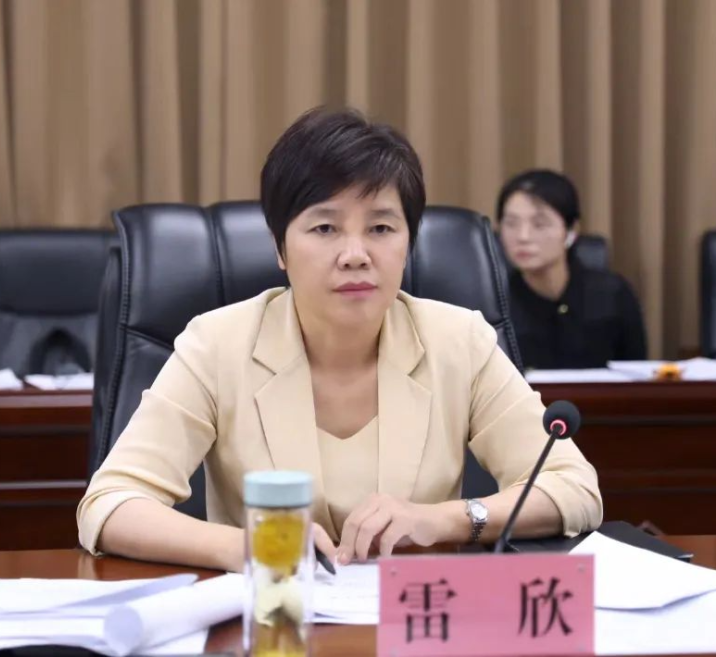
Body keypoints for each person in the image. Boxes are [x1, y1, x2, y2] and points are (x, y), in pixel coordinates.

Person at [77, 110, 602, 572]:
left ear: (408, 243)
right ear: (280, 247)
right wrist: (250, 547)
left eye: (381, 228)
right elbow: (111, 502)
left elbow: (574, 489)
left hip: (414, 622)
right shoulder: (217, 343)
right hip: (274, 619)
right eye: (325, 229)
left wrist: (447, 519)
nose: (355, 254)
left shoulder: (458, 341)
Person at [497, 170, 647, 370]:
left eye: (539, 224)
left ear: (571, 231)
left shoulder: (613, 295)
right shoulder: (495, 305)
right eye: (511, 224)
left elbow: (636, 373)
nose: (523, 236)